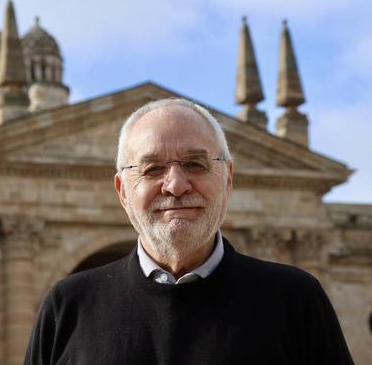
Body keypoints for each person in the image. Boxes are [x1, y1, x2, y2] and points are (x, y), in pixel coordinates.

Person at [24, 98, 354, 365]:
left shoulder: (296, 298)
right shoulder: (67, 305)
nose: (176, 185)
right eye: (152, 168)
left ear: (227, 179)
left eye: (195, 164)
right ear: (123, 190)